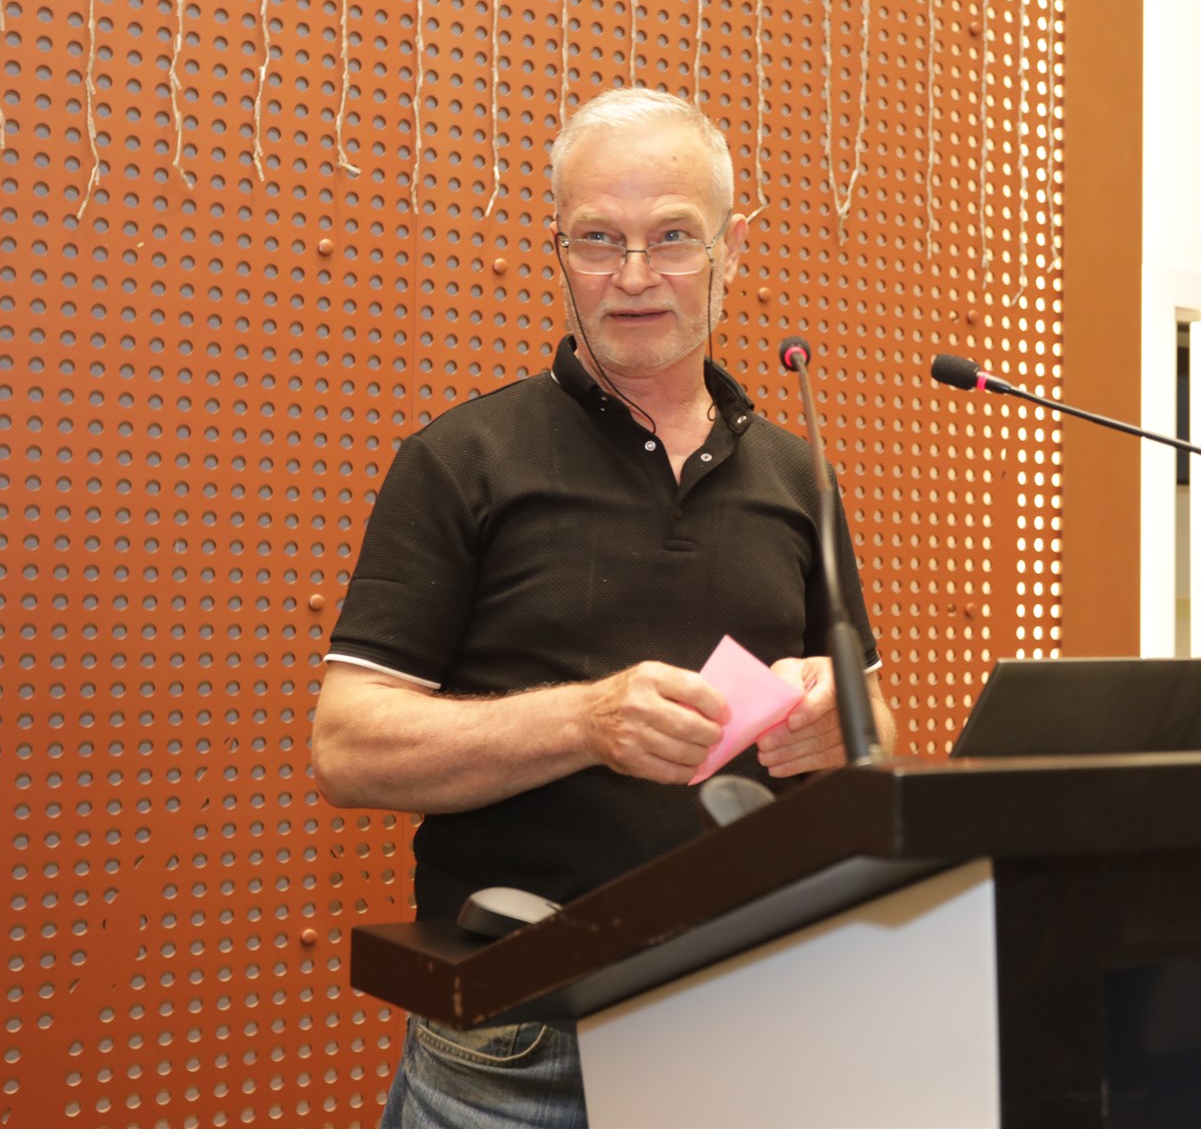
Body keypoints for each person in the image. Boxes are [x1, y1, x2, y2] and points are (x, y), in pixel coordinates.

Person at [310, 87, 896, 1129]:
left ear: (732, 248)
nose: (632, 276)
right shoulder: (460, 461)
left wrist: (834, 724)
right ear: (557, 250)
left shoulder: (798, 477)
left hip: (751, 1022)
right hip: (520, 1053)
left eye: (672, 236)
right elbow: (347, 749)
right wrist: (587, 721)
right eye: (597, 239)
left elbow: (878, 731)